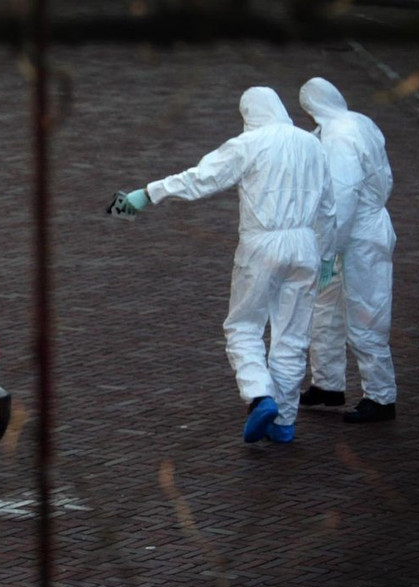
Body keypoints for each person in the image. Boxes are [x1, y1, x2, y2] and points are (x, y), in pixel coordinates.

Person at [117, 86, 336, 444]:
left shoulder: (248, 144)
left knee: (244, 326)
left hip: (262, 243)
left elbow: (201, 179)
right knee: (292, 335)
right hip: (305, 245)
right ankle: (284, 420)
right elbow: (328, 208)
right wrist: (326, 256)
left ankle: (260, 395)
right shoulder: (312, 145)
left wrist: (148, 194)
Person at [298, 77, 398, 424]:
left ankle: (381, 397)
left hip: (357, 236)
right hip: (355, 232)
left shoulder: (339, 135)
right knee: (325, 309)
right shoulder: (358, 122)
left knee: (366, 313)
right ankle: (327, 384)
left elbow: (343, 195)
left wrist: (328, 251)